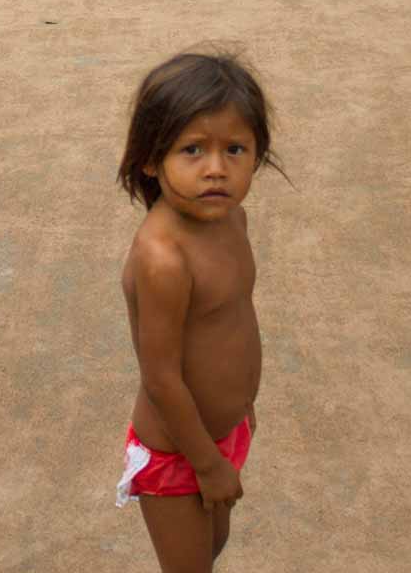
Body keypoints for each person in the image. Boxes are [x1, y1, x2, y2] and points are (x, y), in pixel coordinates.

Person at [114, 52, 281, 572]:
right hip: (179, 454)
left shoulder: (234, 221)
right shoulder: (163, 257)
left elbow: (233, 321)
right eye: (192, 150)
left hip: (222, 434)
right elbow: (161, 378)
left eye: (234, 149)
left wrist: (242, 404)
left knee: (211, 545)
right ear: (149, 159)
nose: (216, 169)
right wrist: (207, 465)